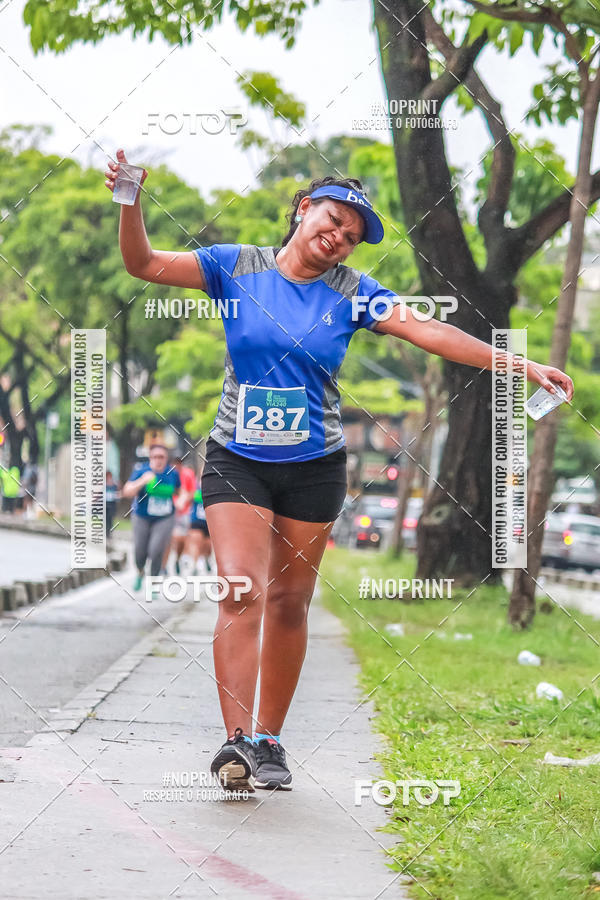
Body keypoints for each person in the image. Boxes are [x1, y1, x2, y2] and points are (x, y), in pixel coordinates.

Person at [106, 149, 574, 793]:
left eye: (351, 237)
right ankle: (235, 741)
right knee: (240, 588)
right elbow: (143, 263)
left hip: (315, 467)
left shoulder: (355, 293)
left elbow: (431, 332)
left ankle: (269, 740)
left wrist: (518, 364)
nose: (339, 238)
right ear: (304, 210)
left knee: (289, 601)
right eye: (333, 221)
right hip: (237, 458)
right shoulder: (235, 267)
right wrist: (130, 202)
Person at [121, 445, 183, 591]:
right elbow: (126, 491)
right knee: (140, 550)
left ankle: (153, 582)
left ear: (166, 458)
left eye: (161, 457)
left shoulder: (172, 473)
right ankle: (140, 571)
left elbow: (180, 491)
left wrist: (181, 500)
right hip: (141, 516)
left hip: (165, 518)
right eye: (155, 457)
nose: (158, 460)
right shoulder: (141, 471)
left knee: (156, 549)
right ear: (150, 458)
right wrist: (143, 481)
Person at [161, 456, 197, 574]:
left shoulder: (188, 474)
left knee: (182, 539)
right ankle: (163, 566)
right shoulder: (166, 474)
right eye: (174, 465)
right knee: (167, 539)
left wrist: (183, 501)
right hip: (168, 511)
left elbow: (192, 492)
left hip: (184, 512)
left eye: (178, 464)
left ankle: (177, 559)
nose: (176, 467)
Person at [186, 483, 213, 574]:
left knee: (208, 546)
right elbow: (186, 497)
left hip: (209, 522)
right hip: (196, 521)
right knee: (196, 542)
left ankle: (207, 558)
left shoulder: (215, 487)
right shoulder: (195, 487)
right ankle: (194, 565)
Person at [105, 471, 119, 540]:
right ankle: (105, 532)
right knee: (105, 519)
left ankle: (109, 533)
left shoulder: (114, 485)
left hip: (112, 504)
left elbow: (118, 492)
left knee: (110, 519)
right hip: (105, 504)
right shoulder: (104, 485)